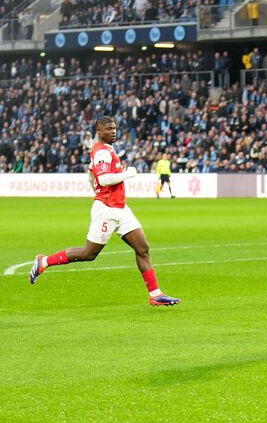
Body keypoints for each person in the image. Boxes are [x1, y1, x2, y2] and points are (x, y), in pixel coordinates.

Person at [28, 116, 181, 306]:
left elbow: (91, 175)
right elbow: (104, 179)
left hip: (121, 208)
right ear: (99, 131)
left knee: (143, 248)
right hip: (107, 210)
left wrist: (98, 191)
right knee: (88, 254)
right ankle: (44, 262)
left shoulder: (106, 149)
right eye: (108, 129)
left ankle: (155, 294)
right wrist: (127, 174)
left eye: (114, 128)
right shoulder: (101, 151)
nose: (113, 131)